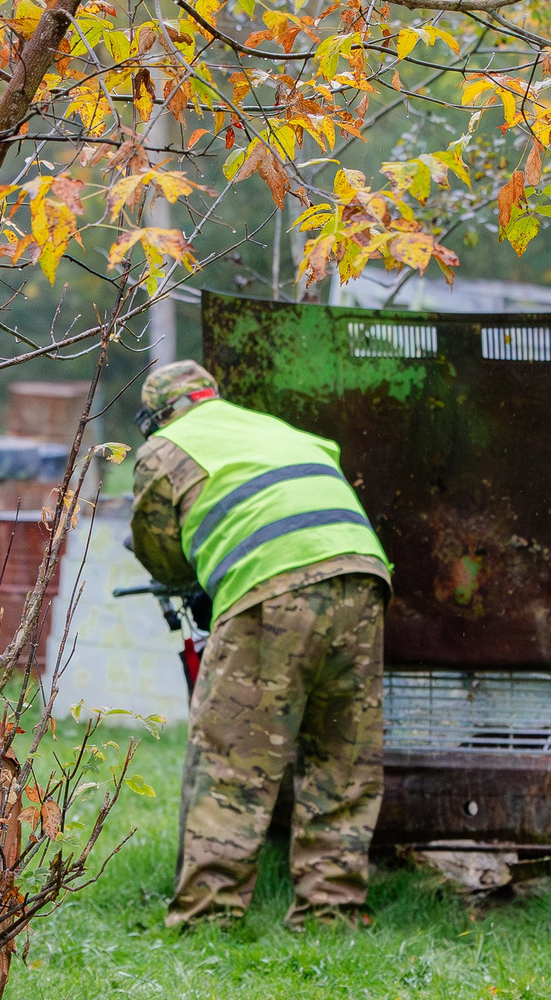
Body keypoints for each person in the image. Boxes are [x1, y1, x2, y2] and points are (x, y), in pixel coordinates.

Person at [128, 359, 391, 931]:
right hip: (363, 575)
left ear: (161, 415)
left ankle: (207, 916)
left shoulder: (166, 448)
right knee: (341, 754)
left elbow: (161, 550)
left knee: (233, 757)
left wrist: (196, 580)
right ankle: (332, 911)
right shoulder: (281, 431)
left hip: (273, 584)